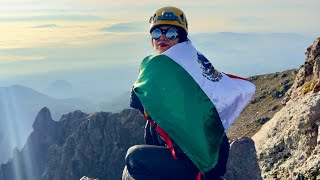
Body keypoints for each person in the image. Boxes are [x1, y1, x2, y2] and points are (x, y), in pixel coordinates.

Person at [123, 6, 255, 180]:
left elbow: (140, 96)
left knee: (135, 158)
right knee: (151, 133)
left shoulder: (181, 73)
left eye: (171, 33)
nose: (162, 38)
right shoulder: (191, 66)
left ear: (181, 38)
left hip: (198, 161)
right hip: (198, 156)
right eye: (156, 33)